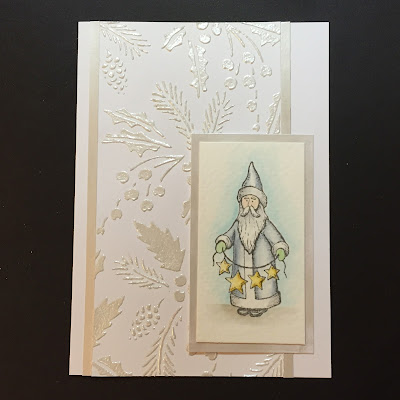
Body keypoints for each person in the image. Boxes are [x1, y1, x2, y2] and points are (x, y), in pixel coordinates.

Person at [215, 162, 289, 317]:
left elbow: (276, 239)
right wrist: (223, 242)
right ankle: (244, 304)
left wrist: (280, 248)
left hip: (262, 267)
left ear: (259, 203)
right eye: (246, 199)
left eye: (253, 199)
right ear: (241, 202)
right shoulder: (238, 223)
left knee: (262, 288)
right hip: (241, 266)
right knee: (242, 285)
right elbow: (229, 235)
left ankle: (260, 306)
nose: (249, 203)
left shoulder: (265, 224)